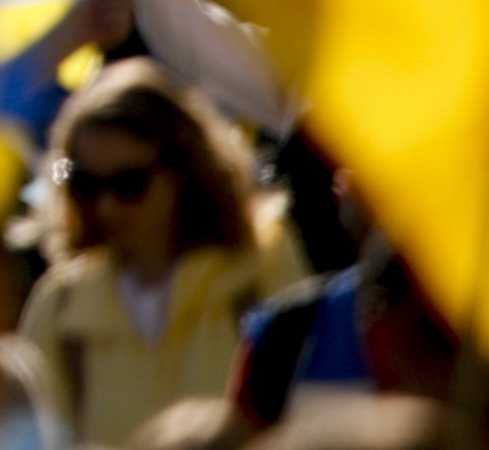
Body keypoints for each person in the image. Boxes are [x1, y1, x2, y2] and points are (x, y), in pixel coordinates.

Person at [15, 63, 298, 445]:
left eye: (129, 184)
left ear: (186, 169)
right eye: (86, 185)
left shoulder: (262, 269)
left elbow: (307, 419)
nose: (106, 207)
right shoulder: (59, 306)